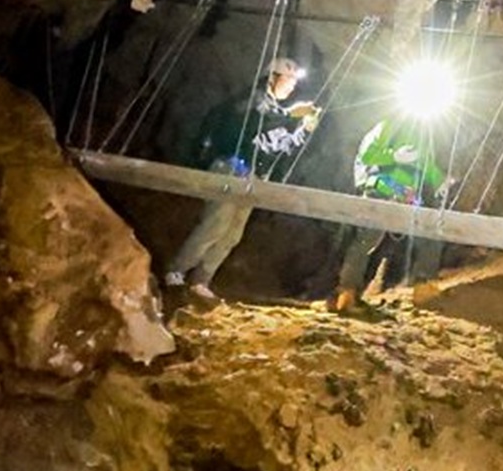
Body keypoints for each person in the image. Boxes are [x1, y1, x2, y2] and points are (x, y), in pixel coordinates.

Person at [163, 56, 319, 301]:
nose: (292, 86)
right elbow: (254, 119)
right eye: (288, 79)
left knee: (232, 234)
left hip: (254, 178)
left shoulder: (278, 112)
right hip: (230, 168)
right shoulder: (252, 98)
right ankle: (176, 271)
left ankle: (201, 280)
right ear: (273, 77)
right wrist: (292, 115)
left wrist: (304, 130)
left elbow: (284, 147)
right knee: (216, 225)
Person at [329, 114, 446, 312]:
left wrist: (440, 181)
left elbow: (426, 166)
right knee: (367, 240)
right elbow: (367, 154)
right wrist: (393, 155)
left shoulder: (422, 138)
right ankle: (346, 293)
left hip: (406, 197)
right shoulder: (388, 128)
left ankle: (424, 288)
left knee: (429, 234)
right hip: (380, 192)